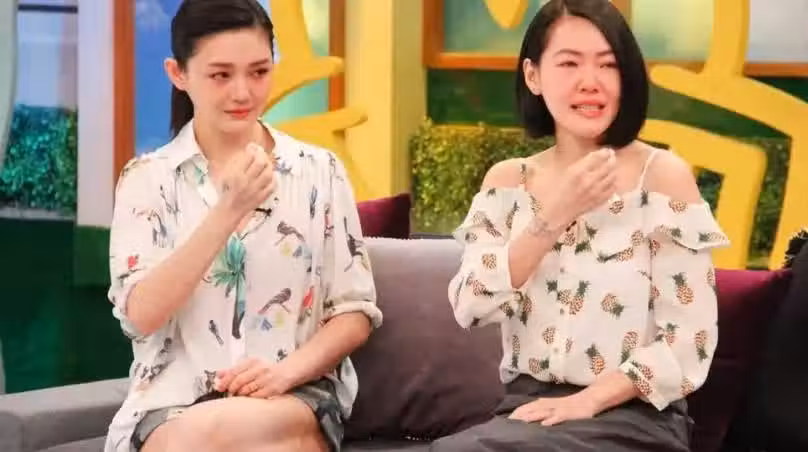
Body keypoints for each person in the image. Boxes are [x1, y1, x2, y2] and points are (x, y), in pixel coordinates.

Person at [433, 0, 729, 450]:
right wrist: (554, 215)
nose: (590, 82)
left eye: (608, 65)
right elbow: (469, 306)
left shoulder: (662, 178)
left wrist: (588, 401)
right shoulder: (508, 183)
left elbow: (690, 341)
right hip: (527, 409)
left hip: (634, 415)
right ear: (533, 75)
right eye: (569, 63)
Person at [104, 1, 381, 451]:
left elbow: (355, 313)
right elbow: (142, 316)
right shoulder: (146, 180)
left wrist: (282, 374)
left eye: (258, 72)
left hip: (292, 395)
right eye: (221, 75)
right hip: (172, 406)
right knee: (194, 437)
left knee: (210, 436)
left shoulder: (320, 171)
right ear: (178, 74)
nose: (243, 92)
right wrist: (228, 210)